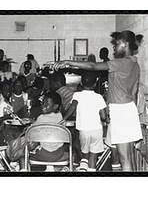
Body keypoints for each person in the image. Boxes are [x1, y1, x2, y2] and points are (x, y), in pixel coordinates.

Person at [54, 30, 143, 171]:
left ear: (125, 44)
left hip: (121, 111)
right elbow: (134, 92)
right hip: (127, 109)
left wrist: (67, 62)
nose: (114, 47)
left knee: (124, 157)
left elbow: (93, 66)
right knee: (126, 155)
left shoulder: (122, 63)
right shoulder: (135, 65)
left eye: (117, 43)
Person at [61, 71, 107, 171]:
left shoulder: (77, 95)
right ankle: (91, 170)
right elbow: (103, 116)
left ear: (81, 84)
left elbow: (72, 107)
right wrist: (107, 119)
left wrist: (64, 119)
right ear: (95, 84)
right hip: (96, 131)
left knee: (85, 155)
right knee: (93, 156)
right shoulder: (99, 97)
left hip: (84, 131)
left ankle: (83, 168)